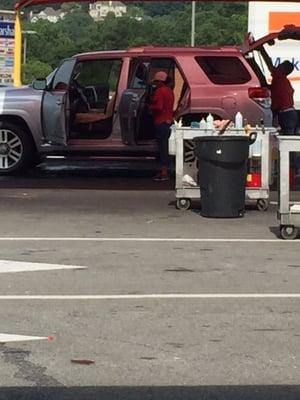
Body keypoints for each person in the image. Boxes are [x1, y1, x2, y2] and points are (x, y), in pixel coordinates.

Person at [148, 71, 174, 181]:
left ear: (160, 82)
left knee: (162, 148)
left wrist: (149, 107)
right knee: (166, 147)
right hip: (169, 122)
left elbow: (158, 107)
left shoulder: (159, 91)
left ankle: (164, 173)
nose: (155, 84)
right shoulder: (170, 91)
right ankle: (165, 171)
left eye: (156, 82)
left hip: (160, 122)